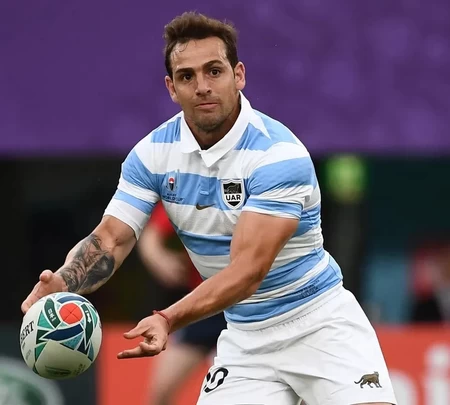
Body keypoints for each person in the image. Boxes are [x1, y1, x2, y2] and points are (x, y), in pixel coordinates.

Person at [21, 11, 397, 405]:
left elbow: (247, 272)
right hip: (246, 339)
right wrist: (63, 283)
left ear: (239, 75)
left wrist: (167, 318)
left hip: (320, 323)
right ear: (171, 87)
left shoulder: (278, 155)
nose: (202, 86)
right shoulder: (152, 154)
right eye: (187, 76)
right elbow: (111, 240)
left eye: (214, 71)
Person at [137, 201, 226, 405]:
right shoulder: (191, 194)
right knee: (160, 392)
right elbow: (151, 237)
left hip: (249, 308)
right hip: (202, 306)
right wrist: (160, 259)